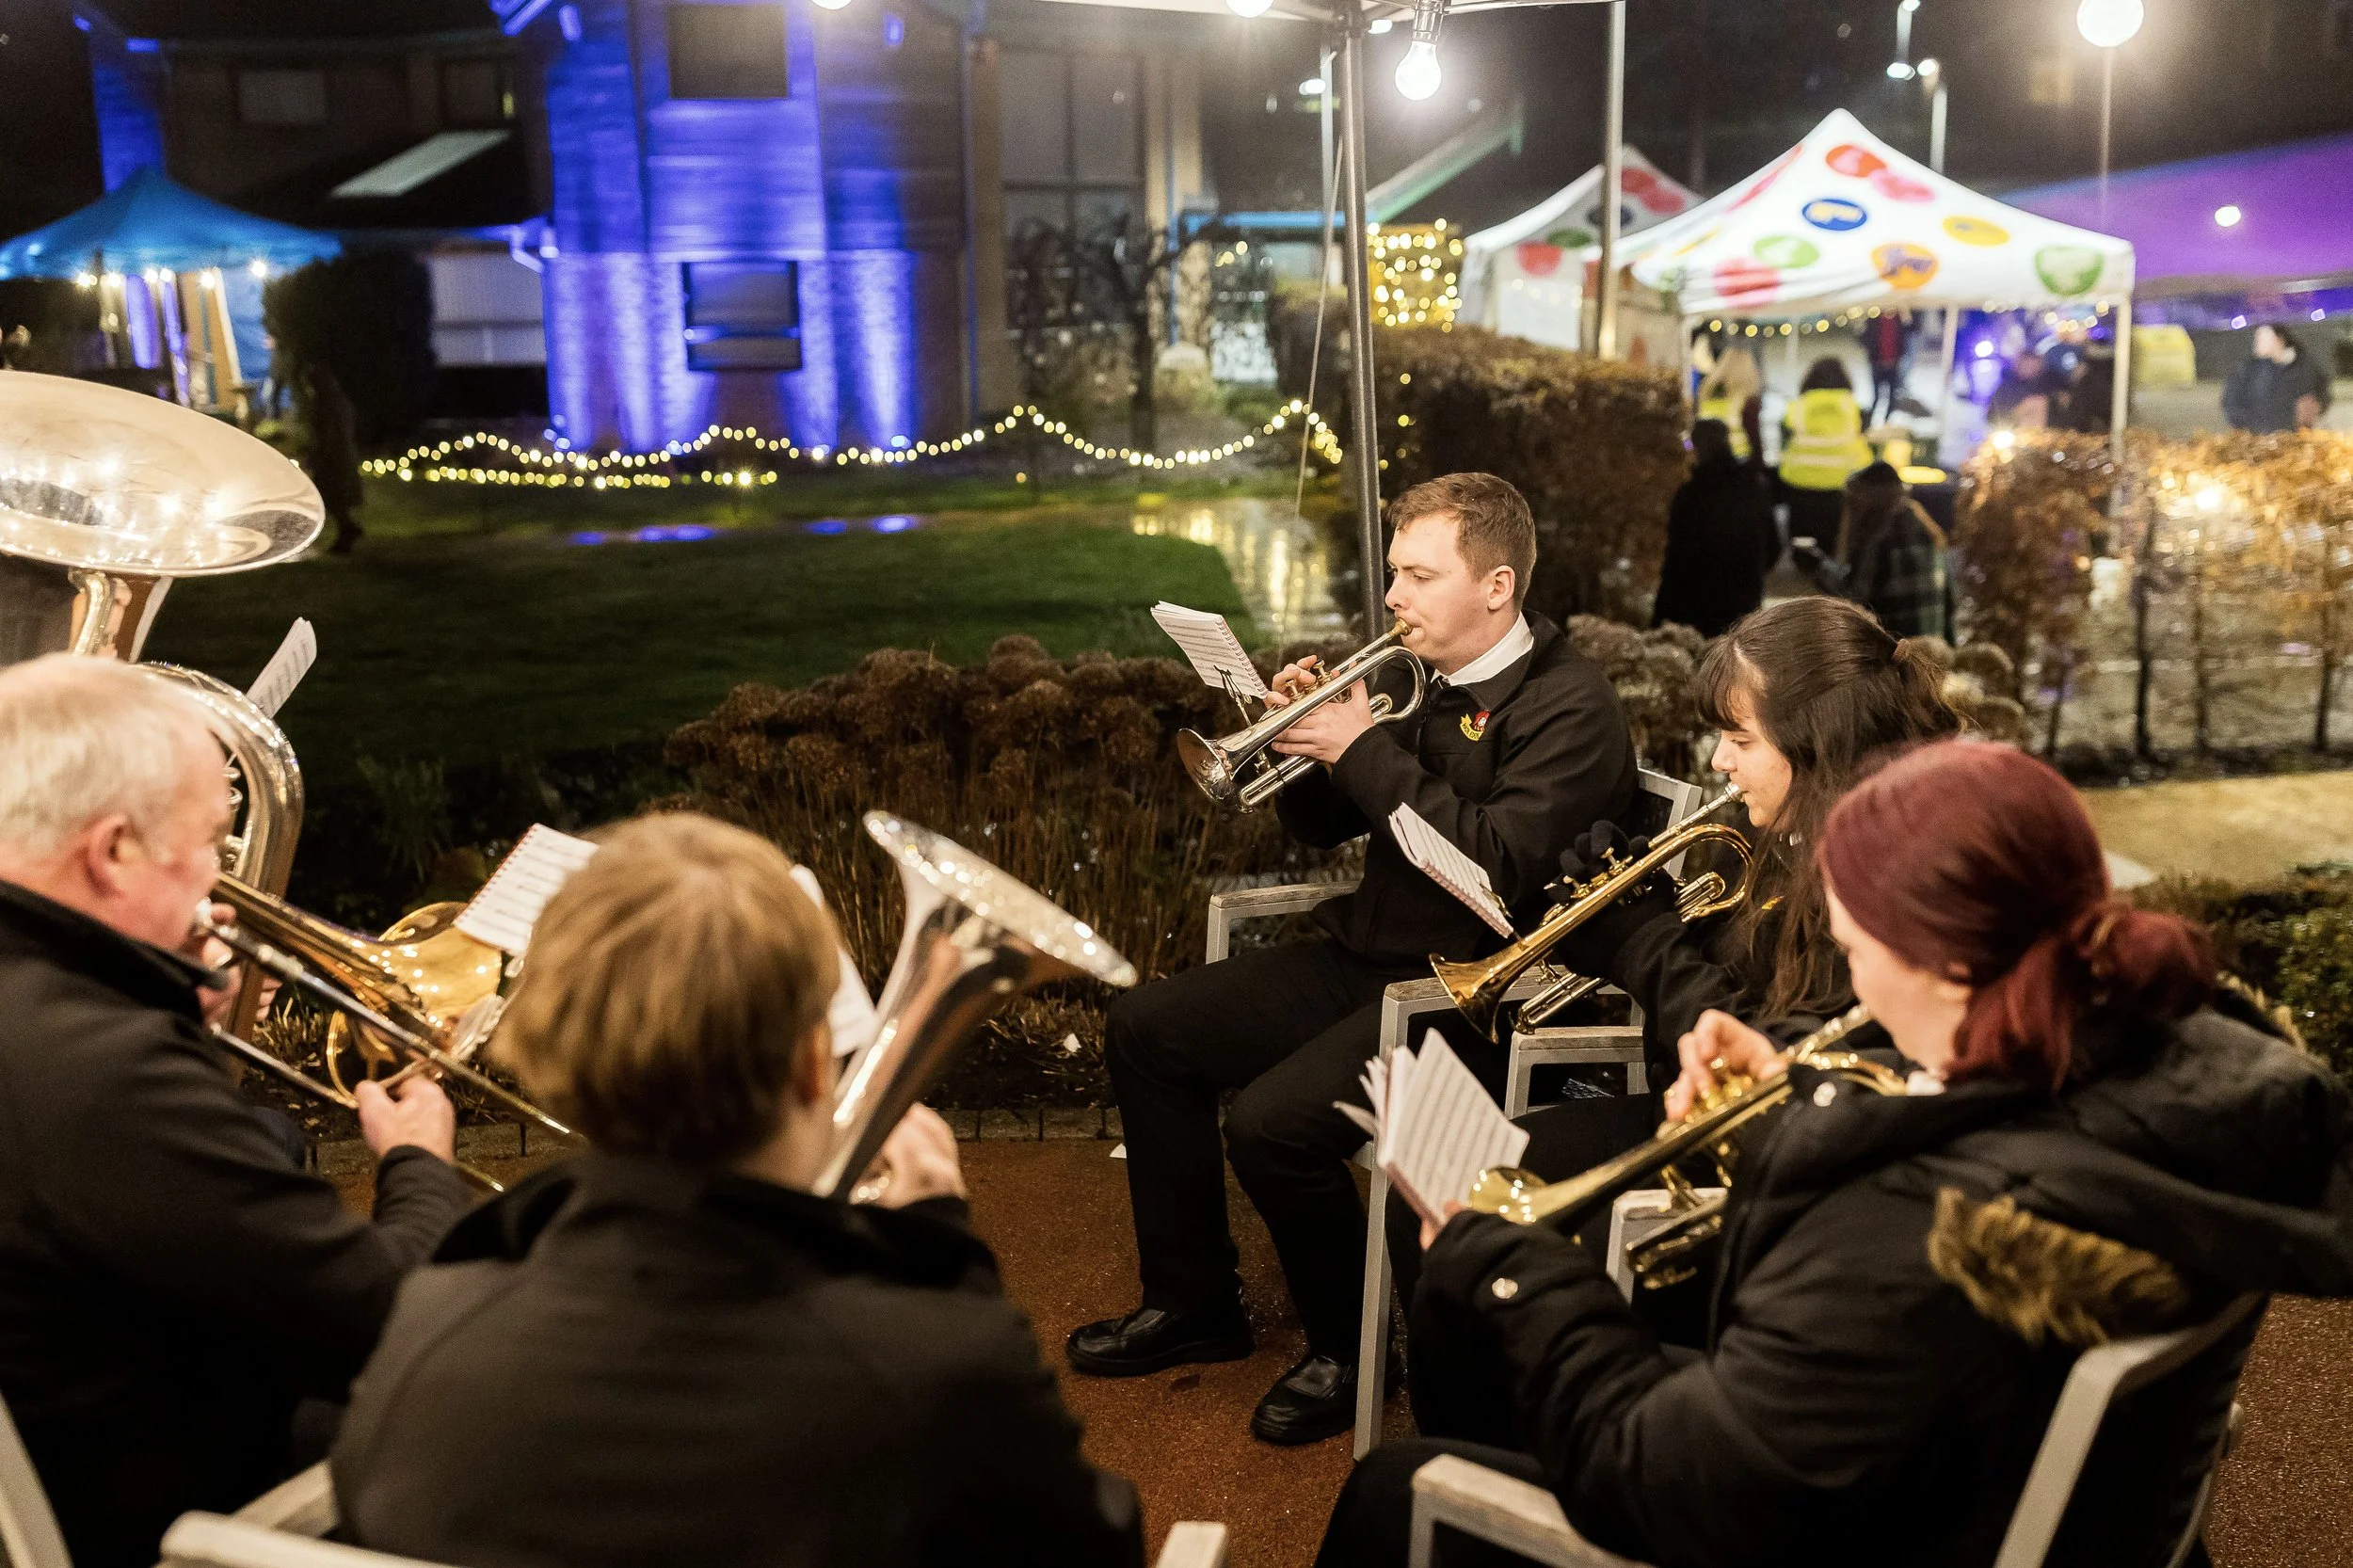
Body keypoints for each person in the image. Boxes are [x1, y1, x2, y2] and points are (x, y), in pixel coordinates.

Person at [1319, 738, 2353, 1568]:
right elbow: (1957, 1141)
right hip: (1972, 1448)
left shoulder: (1905, 1244)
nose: (1851, 988)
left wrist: (1510, 1268)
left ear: (1946, 957)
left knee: (1390, 1488)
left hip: (1875, 1512)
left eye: (1856, 951)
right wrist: (1792, 1090)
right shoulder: (2164, 1070)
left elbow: (1659, 1483)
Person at [334, 813, 1143, 1568]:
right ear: (810, 1065)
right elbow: (1098, 1548)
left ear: (553, 1063)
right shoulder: (932, 1370)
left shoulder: (428, 1329)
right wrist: (942, 1251)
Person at [1066, 472, 1639, 1446]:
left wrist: (1366, 747)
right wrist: (1306, 740)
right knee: (1146, 1028)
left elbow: (1492, 875)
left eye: (1418, 575)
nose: (1392, 599)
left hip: (1474, 992)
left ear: (1496, 586)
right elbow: (1327, 822)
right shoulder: (1422, 678)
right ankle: (1194, 1301)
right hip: (1368, 956)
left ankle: (1351, 1350)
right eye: (1391, 573)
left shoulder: (1570, 711)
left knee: (1271, 1124)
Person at [1395, 597, 1960, 1425]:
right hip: (1727, 1123)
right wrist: (1644, 913)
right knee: (1453, 1184)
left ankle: (1496, 1462)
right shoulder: (1805, 826)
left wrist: (1642, 942)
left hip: (1772, 1178)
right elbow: (1742, 984)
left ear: (1821, 745)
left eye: (1741, 740)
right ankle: (1479, 1438)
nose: (1720, 763)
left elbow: (1772, 1060)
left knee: (1481, 1244)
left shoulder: (1879, 876)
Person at [0, 654, 468, 1568]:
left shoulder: (58, 1019)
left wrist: (164, 1013)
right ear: (112, 852)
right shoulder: (103, 1070)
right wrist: (419, 1160)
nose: (223, 883)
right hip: (180, 1517)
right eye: (211, 844)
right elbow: (395, 1328)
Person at [1792, 460, 1951, 640]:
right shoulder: (1927, 527)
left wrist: (1816, 565)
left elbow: (1854, 597)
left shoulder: (1879, 533)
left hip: (1894, 648)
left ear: (1865, 499)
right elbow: (1949, 600)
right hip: (1931, 646)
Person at [1651, 420, 1780, 639]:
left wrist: (1659, 616)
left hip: (1699, 605)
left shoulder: (1691, 494)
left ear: (1698, 448)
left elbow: (1677, 559)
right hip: (1743, 601)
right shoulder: (1753, 487)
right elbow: (1773, 547)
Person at [1776, 357, 1871, 555]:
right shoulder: (1852, 407)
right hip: (1842, 487)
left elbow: (1784, 442)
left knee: (1802, 539)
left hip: (1801, 484)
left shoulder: (1797, 407)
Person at [2223, 324, 2334, 434]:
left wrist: (2316, 406)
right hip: (2258, 440)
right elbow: (2232, 406)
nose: (2257, 342)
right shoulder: (2247, 370)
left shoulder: (2305, 366)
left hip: (2296, 439)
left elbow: (2321, 394)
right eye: (2257, 337)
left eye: (2263, 337)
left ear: (2280, 339)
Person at [302, 363, 365, 555]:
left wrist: (318, 455)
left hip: (332, 459)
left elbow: (327, 434)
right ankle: (346, 530)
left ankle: (347, 530)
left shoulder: (327, 405)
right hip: (336, 457)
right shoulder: (335, 402)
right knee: (331, 499)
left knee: (331, 497)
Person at [1694, 345, 1764, 464]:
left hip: (1706, 456)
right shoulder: (1746, 400)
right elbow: (1754, 436)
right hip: (1738, 456)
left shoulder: (1706, 395)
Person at [1986, 346, 2061, 431]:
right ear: (2018, 365)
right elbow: (1992, 416)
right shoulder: (2005, 388)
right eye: (2026, 365)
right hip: (2013, 432)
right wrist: (2016, 413)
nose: (2029, 369)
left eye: (2033, 366)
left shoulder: (2047, 386)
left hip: (2040, 434)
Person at [1861, 310, 1912, 425]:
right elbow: (1865, 337)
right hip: (1878, 363)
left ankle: (1886, 421)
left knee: (1892, 396)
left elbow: (1909, 333)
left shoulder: (1898, 320)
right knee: (1876, 396)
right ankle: (1870, 422)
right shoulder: (1873, 320)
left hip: (1893, 363)